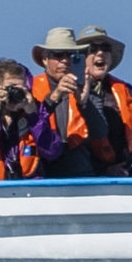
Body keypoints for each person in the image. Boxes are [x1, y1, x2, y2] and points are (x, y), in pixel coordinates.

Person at [61, 26, 132, 176]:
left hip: (124, 170)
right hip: (85, 174)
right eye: (92, 49)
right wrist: (103, 170)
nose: (100, 53)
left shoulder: (125, 90)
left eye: (105, 48)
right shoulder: (65, 89)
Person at [0, 57, 62, 180]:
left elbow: (52, 151)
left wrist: (33, 116)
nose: (16, 94)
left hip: (30, 183)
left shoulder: (36, 108)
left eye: (21, 88)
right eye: (11, 88)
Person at [29, 29, 93, 176]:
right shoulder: (30, 90)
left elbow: (100, 132)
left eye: (70, 55)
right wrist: (55, 96)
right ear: (45, 59)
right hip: (41, 168)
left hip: (79, 169)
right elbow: (27, 124)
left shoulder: (87, 87)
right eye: (58, 54)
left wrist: (84, 103)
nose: (65, 60)